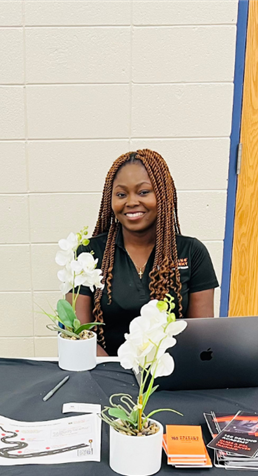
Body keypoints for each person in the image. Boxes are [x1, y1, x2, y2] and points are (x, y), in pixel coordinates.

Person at [75, 149, 220, 356]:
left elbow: (201, 338)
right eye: (121, 194)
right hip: (103, 370)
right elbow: (79, 335)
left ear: (162, 195)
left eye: (143, 192)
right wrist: (113, 370)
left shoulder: (192, 252)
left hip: (172, 371)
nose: (131, 202)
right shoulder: (89, 253)